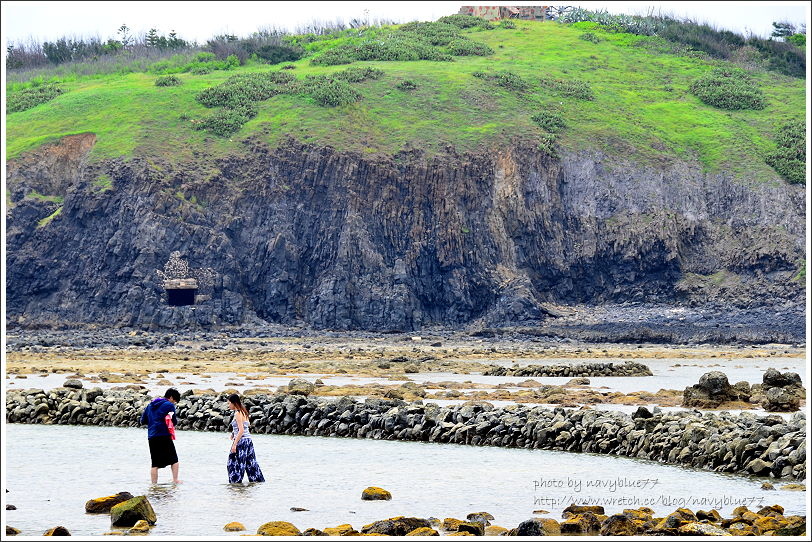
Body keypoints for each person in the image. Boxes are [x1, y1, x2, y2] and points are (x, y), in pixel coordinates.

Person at [140, 388, 181, 484]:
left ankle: (154, 485)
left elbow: (143, 421)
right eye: (174, 401)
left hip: (152, 436)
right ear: (171, 397)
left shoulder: (150, 405)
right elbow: (173, 421)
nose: (174, 403)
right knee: (174, 460)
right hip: (164, 435)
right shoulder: (169, 405)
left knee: (155, 464)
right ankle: (175, 480)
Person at [227, 393, 265, 484]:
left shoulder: (237, 413)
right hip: (248, 441)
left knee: (233, 463)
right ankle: (257, 482)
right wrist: (233, 433)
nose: (228, 405)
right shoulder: (243, 412)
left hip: (242, 441)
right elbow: (245, 426)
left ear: (234, 403)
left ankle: (235, 484)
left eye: (229, 403)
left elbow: (241, 430)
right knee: (251, 463)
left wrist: (235, 444)